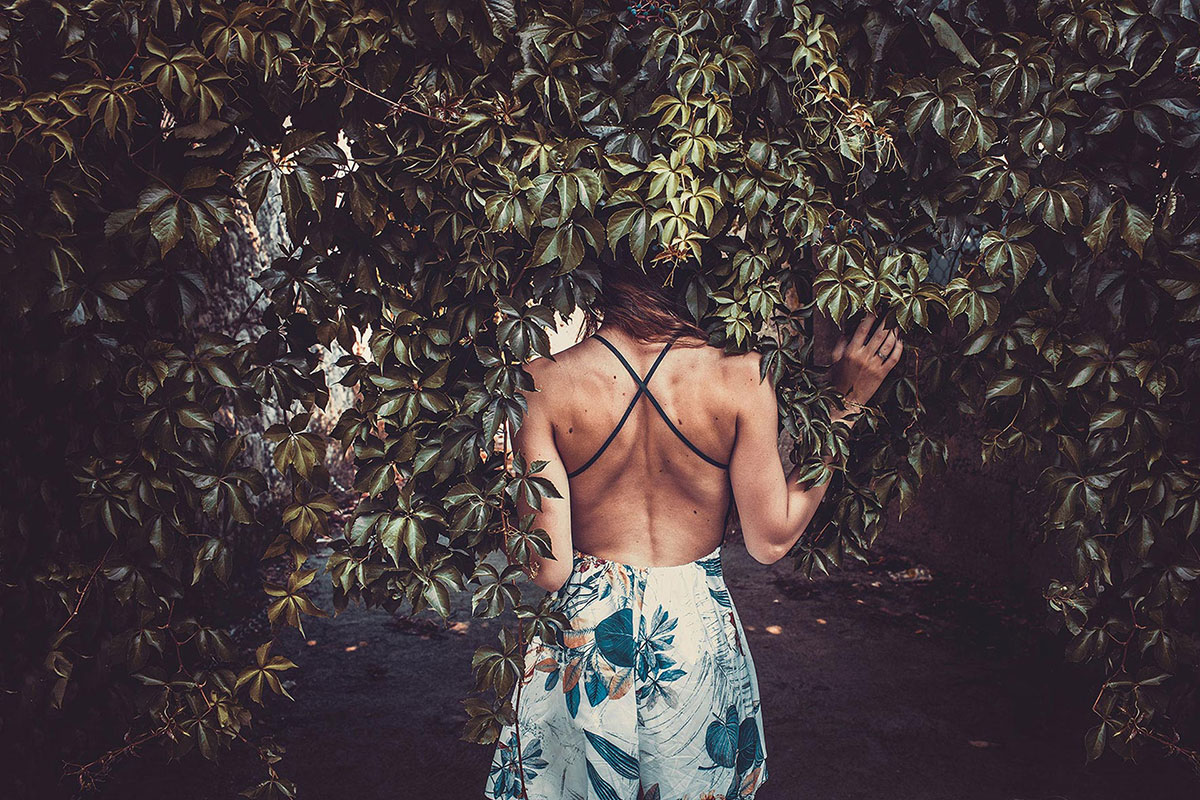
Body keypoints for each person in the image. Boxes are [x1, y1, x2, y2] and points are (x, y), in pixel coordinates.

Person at [485, 262, 903, 800]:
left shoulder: (542, 383)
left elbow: (549, 569)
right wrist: (845, 406)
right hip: (691, 634)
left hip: (586, 636)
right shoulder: (743, 375)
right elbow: (771, 540)